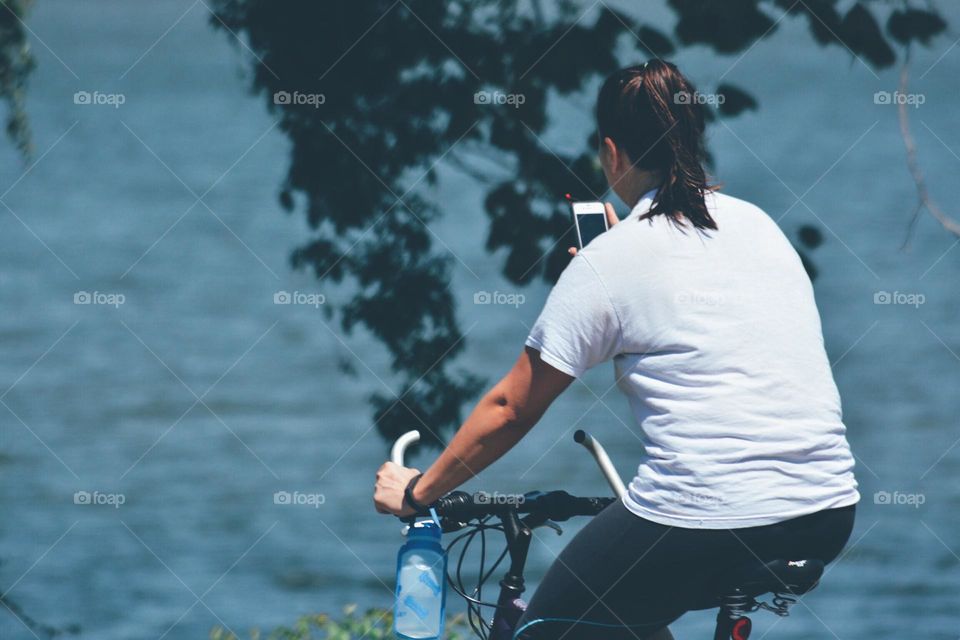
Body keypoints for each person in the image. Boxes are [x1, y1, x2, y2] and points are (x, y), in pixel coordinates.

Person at [373, 60, 859, 639]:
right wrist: (614, 261)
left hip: (708, 514)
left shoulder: (612, 260)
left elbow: (512, 407)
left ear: (611, 152)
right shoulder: (759, 226)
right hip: (827, 511)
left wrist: (418, 491)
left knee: (548, 629)